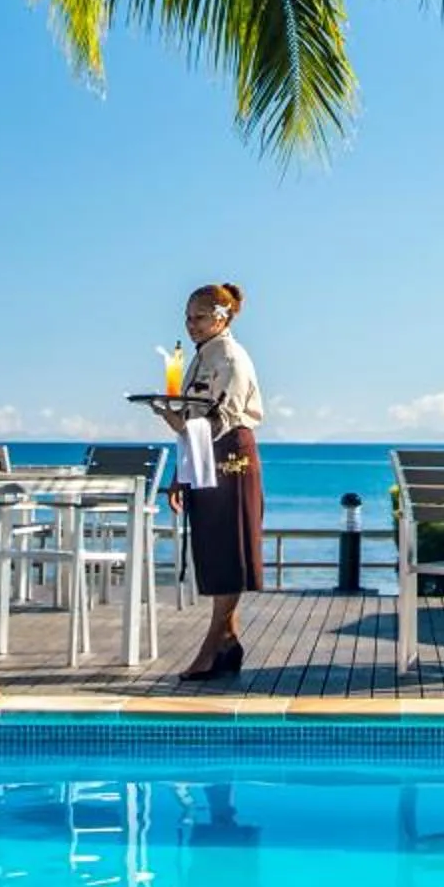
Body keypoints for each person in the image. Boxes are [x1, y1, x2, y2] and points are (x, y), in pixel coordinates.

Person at [157, 280, 264, 680]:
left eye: (199, 317)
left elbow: (219, 420)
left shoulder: (232, 359)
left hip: (231, 455)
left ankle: (210, 646)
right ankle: (227, 645)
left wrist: (176, 421)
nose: (192, 325)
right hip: (204, 455)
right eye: (187, 318)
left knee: (229, 548)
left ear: (222, 317)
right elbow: (192, 424)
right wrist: (179, 474)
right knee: (212, 548)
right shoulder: (201, 358)